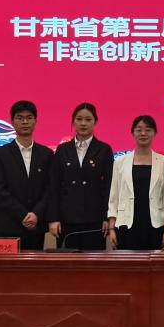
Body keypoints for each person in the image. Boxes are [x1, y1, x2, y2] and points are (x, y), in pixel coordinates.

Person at [48, 103, 114, 251]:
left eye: (88, 119)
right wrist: (53, 218)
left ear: (95, 122)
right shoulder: (62, 149)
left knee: (94, 262)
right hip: (67, 219)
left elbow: (109, 186)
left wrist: (107, 217)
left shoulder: (104, 149)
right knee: (67, 263)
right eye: (79, 119)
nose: (83, 123)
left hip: (95, 219)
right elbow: (54, 186)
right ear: (73, 122)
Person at [0, 100, 53, 250]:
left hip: (36, 225)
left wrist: (36, 214)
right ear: (12, 122)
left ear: (35, 121)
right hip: (9, 224)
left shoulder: (47, 154)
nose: (25, 122)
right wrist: (22, 214)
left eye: (29, 117)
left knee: (35, 265)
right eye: (20, 118)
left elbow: (50, 188)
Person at [108, 115, 164, 250]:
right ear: (132, 133)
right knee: (126, 262)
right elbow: (114, 198)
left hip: (155, 225)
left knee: (153, 262)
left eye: (148, 130)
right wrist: (112, 228)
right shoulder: (120, 162)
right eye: (139, 130)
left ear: (155, 133)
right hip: (126, 224)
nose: (143, 133)